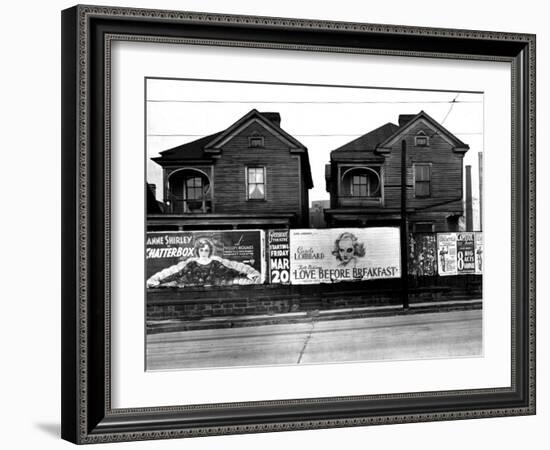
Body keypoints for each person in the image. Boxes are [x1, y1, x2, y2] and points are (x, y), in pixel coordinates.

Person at [147, 238, 261, 287]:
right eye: (201, 250)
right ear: (197, 250)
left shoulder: (215, 263)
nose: (203, 252)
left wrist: (247, 275)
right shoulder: (191, 264)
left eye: (206, 250)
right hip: (194, 293)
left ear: (210, 250)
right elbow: (177, 274)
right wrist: (159, 281)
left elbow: (231, 271)